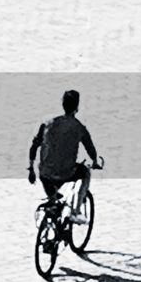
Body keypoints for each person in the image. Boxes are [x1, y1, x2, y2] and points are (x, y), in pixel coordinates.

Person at [28, 90, 99, 223]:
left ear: (63, 105)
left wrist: (31, 169)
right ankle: (76, 211)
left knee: (54, 201)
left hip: (45, 174)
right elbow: (90, 149)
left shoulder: (47, 124)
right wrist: (95, 161)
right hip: (65, 173)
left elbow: (34, 146)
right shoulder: (79, 128)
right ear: (77, 107)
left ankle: (50, 224)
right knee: (85, 173)